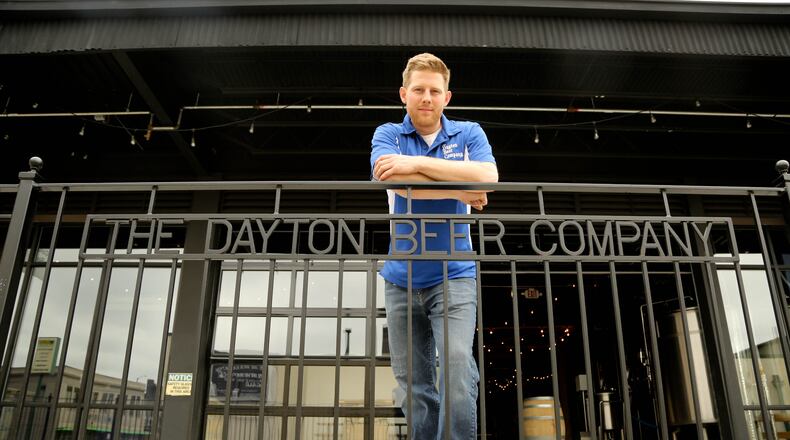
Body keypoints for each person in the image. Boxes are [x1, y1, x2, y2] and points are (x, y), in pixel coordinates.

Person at [370, 53, 498, 440]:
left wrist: (414, 165)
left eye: (435, 91)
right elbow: (394, 183)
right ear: (403, 94)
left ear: (447, 97)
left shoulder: (469, 132)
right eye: (419, 90)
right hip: (400, 279)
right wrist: (460, 189)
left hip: (454, 273)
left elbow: (488, 177)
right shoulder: (387, 134)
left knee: (457, 368)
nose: (427, 97)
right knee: (414, 386)